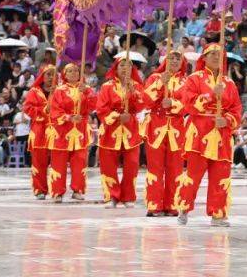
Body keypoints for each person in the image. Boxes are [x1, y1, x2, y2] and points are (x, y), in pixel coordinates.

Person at [175, 44, 242, 226]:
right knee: (193, 174)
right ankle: (184, 207)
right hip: (199, 130)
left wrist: (227, 120)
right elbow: (188, 103)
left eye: (219, 54)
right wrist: (212, 95)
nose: (216, 57)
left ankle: (218, 213)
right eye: (212, 54)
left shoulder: (229, 83)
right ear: (203, 57)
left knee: (221, 175)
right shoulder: (194, 78)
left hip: (222, 133)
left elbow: (236, 109)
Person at [96, 57, 149, 208]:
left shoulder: (137, 86)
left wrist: (133, 92)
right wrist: (118, 117)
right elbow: (101, 108)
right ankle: (112, 195)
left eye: (128, 66)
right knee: (108, 164)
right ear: (116, 69)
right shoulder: (107, 86)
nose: (125, 68)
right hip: (110, 129)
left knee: (132, 164)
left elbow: (142, 105)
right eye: (122, 65)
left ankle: (128, 196)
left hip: (130, 129)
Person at [142, 49, 188, 217]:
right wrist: (161, 83)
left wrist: (173, 104)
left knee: (176, 168)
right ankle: (154, 204)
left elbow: (189, 104)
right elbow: (146, 100)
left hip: (177, 128)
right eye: (171, 58)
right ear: (165, 61)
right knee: (155, 167)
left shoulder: (187, 81)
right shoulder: (154, 77)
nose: (174, 61)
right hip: (156, 125)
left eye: (178, 58)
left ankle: (173, 204)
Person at [48, 63, 96, 202]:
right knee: (59, 162)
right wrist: (69, 117)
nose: (74, 73)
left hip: (80, 130)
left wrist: (86, 93)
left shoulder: (86, 89)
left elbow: (94, 105)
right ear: (65, 74)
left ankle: (78, 189)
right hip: (62, 131)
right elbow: (55, 110)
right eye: (70, 71)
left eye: (76, 70)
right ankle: (57, 192)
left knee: (79, 161)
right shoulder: (59, 90)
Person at [22, 64, 58, 200]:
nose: (51, 77)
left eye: (54, 75)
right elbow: (28, 108)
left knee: (57, 162)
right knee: (39, 162)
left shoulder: (60, 90)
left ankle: (57, 189)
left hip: (57, 130)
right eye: (48, 74)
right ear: (42, 76)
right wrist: (43, 110)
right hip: (39, 131)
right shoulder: (34, 91)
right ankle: (40, 190)